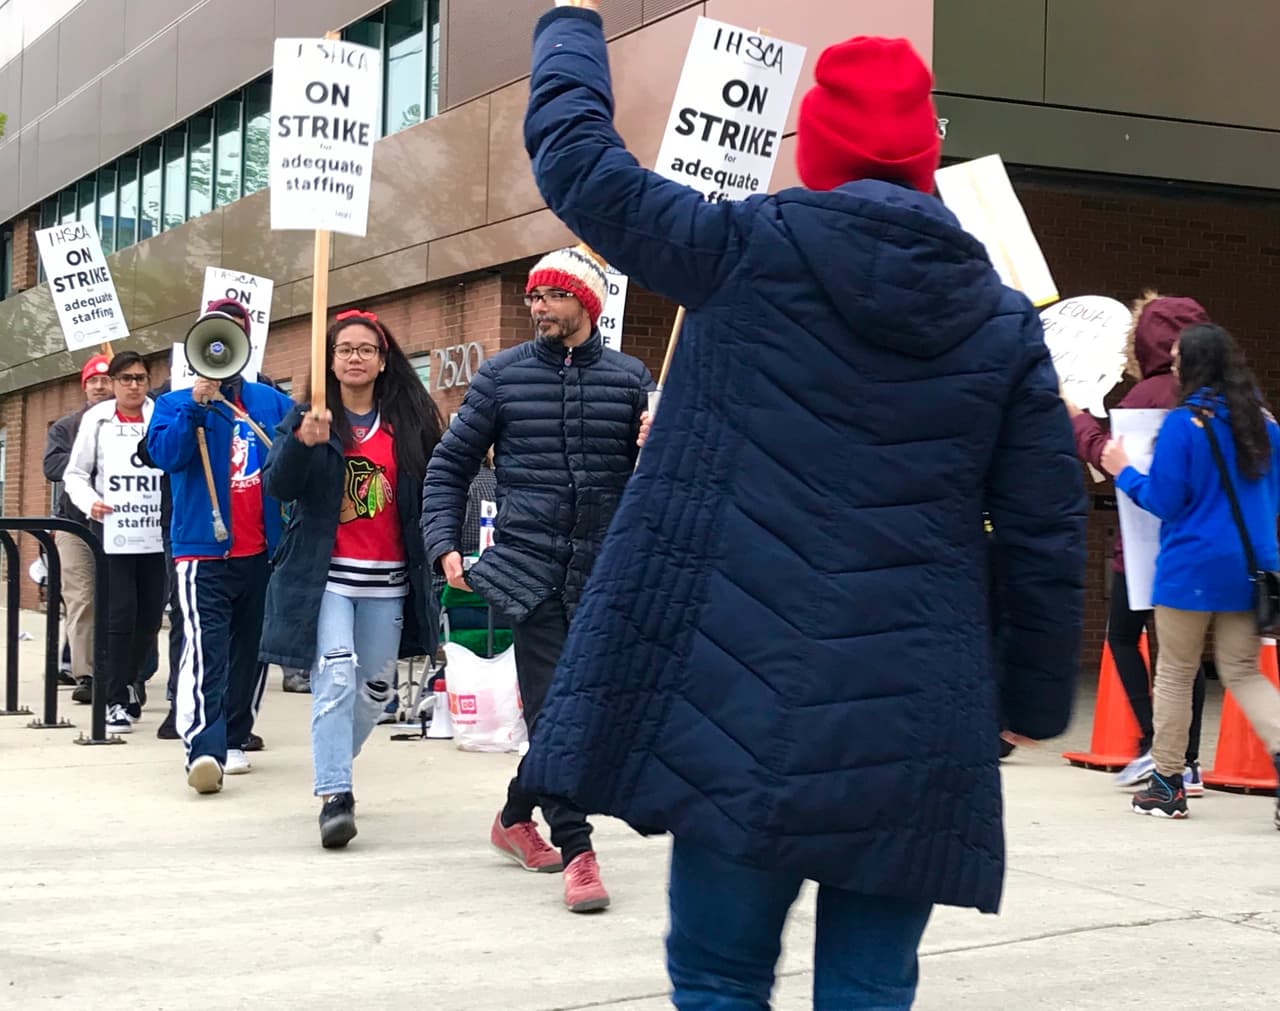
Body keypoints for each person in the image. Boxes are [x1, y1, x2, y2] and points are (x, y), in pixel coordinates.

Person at [514, 7, 1086, 1006]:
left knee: (719, 975)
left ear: (814, 147)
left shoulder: (735, 249)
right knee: (869, 990)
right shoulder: (999, 322)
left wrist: (568, 24)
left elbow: (574, 161)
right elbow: (1043, 528)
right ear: (920, 158)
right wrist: (1031, 698)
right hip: (912, 710)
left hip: (730, 700)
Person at [422, 244, 654, 914]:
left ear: (586, 303)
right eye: (532, 297)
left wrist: (657, 441)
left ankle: (514, 813)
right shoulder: (501, 378)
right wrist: (443, 544)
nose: (538, 307)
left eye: (550, 296)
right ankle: (578, 851)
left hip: (605, 574)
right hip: (532, 571)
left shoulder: (632, 378)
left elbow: (657, 482)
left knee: (589, 713)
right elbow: (448, 466)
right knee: (557, 714)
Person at [259, 309, 443, 847]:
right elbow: (278, 486)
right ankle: (335, 795)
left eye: (366, 349)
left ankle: (333, 755)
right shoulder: (310, 419)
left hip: (388, 582)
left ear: (383, 361)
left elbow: (437, 487)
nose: (355, 358)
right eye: (345, 350)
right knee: (335, 679)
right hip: (329, 579)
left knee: (374, 694)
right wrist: (301, 442)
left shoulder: (409, 422)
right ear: (331, 361)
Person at [1101, 323, 1280, 826]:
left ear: (1195, 366)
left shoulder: (1184, 424)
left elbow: (1164, 500)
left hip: (1191, 566)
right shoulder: (1266, 425)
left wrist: (1123, 471)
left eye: (1178, 360)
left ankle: (1167, 784)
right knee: (1242, 672)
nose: (1173, 367)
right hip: (1252, 567)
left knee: (1177, 672)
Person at [146, 300, 293, 795]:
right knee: (207, 651)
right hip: (201, 551)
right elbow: (165, 456)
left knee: (252, 650)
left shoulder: (270, 403)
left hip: (260, 551)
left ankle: (234, 735)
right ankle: (202, 749)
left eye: (233, 335)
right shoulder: (172, 403)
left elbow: (292, 463)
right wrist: (194, 406)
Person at [1068, 292, 1211, 793]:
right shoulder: (1217, 393)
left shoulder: (1146, 394)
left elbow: (1106, 454)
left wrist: (1077, 416)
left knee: (1126, 639)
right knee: (1187, 654)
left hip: (1142, 541)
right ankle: (1187, 757)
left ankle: (1155, 745)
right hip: (1199, 543)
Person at [61, 352, 167, 734]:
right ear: (115, 382)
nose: (134, 386)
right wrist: (91, 503)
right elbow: (75, 474)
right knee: (118, 614)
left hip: (156, 532)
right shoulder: (97, 419)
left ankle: (132, 680)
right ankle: (114, 697)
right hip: (115, 528)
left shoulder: (162, 415)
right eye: (126, 379)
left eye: (140, 378)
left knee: (150, 617)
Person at [42, 354, 113, 702]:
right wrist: (89, 455)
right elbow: (52, 466)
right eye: (93, 381)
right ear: (84, 386)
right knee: (82, 599)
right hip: (74, 525)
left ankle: (127, 673)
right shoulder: (66, 427)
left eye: (105, 379)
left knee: (121, 601)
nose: (100, 386)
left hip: (120, 524)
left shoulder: (132, 422)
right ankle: (85, 674)